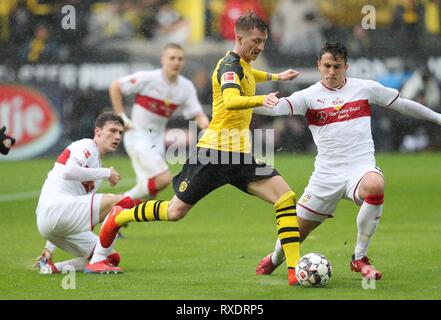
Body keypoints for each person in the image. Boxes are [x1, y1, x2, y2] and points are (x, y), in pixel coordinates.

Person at [92, 12, 302, 286]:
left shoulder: (244, 64)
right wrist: (263, 99)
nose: (261, 47)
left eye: (263, 41)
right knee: (174, 212)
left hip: (240, 156)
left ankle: (294, 270)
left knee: (285, 197)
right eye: (256, 41)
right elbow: (230, 99)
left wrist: (276, 76)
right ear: (239, 38)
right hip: (213, 154)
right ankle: (120, 215)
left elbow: (252, 74)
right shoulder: (229, 66)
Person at [254, 41, 441, 280]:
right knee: (295, 234)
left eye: (337, 66)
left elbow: (403, 104)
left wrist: (437, 118)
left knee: (375, 185)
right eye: (327, 66)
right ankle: (274, 259)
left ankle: (359, 258)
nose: (332, 72)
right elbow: (276, 108)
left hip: (360, 169)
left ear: (346, 67)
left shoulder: (365, 88)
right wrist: (240, 104)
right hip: (326, 176)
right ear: (318, 65)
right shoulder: (308, 96)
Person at [34, 112, 136, 274]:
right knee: (124, 202)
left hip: (53, 224)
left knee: (112, 258)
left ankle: (52, 267)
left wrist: (49, 248)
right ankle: (96, 263)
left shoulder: (96, 164)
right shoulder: (87, 145)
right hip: (54, 210)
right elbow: (68, 172)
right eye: (112, 131)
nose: (117, 137)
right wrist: (107, 173)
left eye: (120, 133)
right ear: (98, 132)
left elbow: (78, 206)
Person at [109, 43, 210, 202]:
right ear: (163, 60)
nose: (176, 62)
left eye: (180, 59)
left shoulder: (185, 87)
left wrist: (208, 127)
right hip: (137, 136)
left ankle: (115, 219)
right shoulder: (149, 78)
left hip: (156, 141)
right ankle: (115, 202)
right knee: (163, 179)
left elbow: (198, 114)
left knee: (150, 191)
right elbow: (116, 86)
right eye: (172, 58)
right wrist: (121, 116)